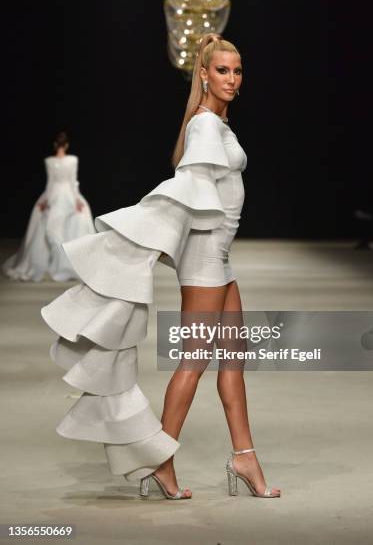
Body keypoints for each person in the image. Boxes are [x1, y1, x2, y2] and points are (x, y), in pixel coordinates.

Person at [41, 35, 281, 500]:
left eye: (237, 71)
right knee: (195, 362)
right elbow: (185, 190)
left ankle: (244, 456)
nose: (232, 79)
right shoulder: (204, 127)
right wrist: (144, 235)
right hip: (206, 259)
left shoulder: (215, 124)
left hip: (220, 257)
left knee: (233, 360)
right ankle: (160, 461)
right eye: (223, 71)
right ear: (204, 75)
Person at [3, 132, 95, 282]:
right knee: (72, 225)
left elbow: (50, 184)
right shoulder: (73, 159)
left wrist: (45, 201)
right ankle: (68, 263)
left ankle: (54, 262)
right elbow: (73, 182)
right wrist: (77, 200)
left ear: (55, 145)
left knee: (50, 226)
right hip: (68, 195)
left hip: (55, 195)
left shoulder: (49, 161)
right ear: (66, 145)